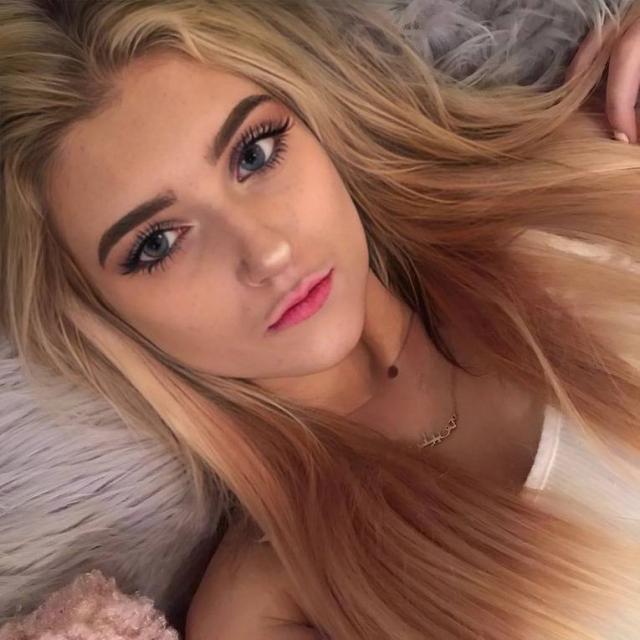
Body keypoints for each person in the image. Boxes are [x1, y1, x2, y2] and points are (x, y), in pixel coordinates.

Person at [1, 0, 639, 638]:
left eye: (255, 155)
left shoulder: (580, 209)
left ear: (316, 120)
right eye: (158, 244)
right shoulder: (270, 606)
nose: (266, 252)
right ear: (94, 309)